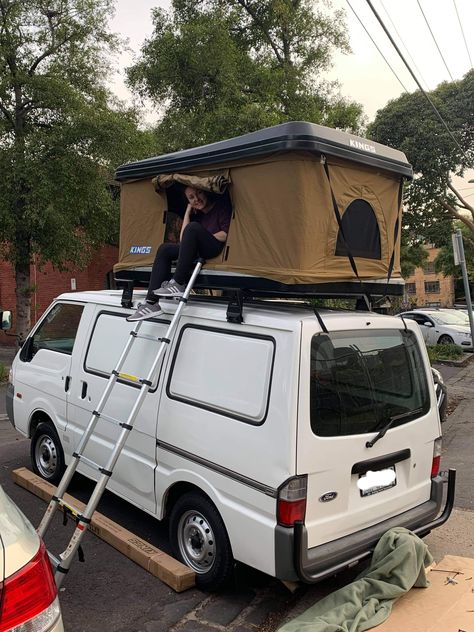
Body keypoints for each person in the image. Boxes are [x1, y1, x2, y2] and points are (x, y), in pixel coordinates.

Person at [127, 185, 232, 321]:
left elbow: (225, 235)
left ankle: (178, 283)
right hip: (196, 249)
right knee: (164, 249)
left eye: (199, 193)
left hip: (214, 247)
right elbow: (183, 241)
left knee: (193, 228)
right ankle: (151, 303)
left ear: (205, 192)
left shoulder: (221, 207)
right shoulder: (197, 216)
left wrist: (203, 237)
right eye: (191, 197)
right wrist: (188, 212)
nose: (197, 199)